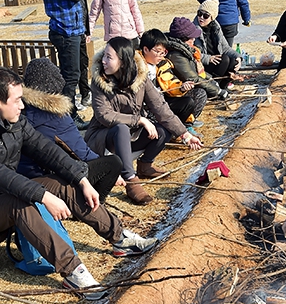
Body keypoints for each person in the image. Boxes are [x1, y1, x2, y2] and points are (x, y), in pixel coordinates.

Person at [0, 67, 158, 298]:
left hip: (2, 193)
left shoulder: (11, 119)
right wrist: (43, 196)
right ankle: (73, 272)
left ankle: (119, 237)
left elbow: (46, 150)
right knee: (21, 203)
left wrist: (81, 179)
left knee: (64, 183)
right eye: (18, 100)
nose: (23, 106)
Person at [85, 37, 201, 205]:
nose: (103, 61)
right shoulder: (99, 81)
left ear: (123, 61)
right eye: (104, 56)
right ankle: (131, 180)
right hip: (104, 137)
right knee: (121, 128)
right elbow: (104, 115)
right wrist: (139, 120)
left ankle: (145, 165)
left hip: (131, 135)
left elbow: (161, 108)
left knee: (162, 131)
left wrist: (184, 135)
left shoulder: (141, 78)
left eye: (109, 57)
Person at [18, 57, 122, 203]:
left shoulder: (19, 108)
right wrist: (110, 172)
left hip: (22, 177)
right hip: (48, 179)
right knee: (113, 163)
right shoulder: (55, 114)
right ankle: (92, 204)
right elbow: (81, 152)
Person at [41, 0, 95, 118]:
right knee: (70, 77)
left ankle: (71, 115)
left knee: (78, 72)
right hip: (65, 31)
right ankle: (68, 118)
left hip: (75, 31)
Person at [140, 29, 207, 132]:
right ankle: (170, 130)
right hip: (148, 107)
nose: (161, 55)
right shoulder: (137, 67)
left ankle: (184, 125)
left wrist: (181, 87)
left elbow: (170, 83)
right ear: (145, 50)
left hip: (163, 101)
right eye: (158, 51)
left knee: (197, 95)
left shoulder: (162, 64)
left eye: (163, 52)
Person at [165, 17, 226, 100]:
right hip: (180, 92)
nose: (194, 39)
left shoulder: (187, 50)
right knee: (201, 94)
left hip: (192, 84)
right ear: (183, 39)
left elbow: (198, 71)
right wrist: (218, 91)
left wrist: (211, 80)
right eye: (191, 37)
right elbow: (193, 78)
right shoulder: (176, 55)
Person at [193, 0, 241, 89]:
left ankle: (223, 87)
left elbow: (225, 48)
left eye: (206, 15)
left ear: (212, 17)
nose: (201, 18)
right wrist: (208, 58)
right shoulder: (194, 29)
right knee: (225, 59)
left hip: (217, 62)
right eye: (199, 13)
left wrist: (238, 56)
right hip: (203, 63)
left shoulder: (216, 28)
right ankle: (214, 88)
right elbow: (191, 52)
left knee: (233, 61)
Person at [67, 0, 92, 109]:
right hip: (70, 30)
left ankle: (85, 93)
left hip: (81, 28)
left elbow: (83, 5)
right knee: (72, 69)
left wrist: (87, 30)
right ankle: (71, 101)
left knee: (83, 63)